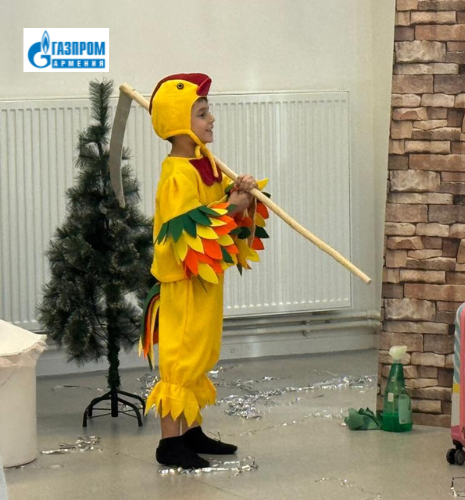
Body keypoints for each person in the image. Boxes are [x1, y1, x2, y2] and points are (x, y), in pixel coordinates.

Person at [139, 73, 269, 469]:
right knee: (180, 355)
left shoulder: (204, 163)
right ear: (179, 123)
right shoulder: (177, 173)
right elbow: (184, 226)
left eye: (208, 111)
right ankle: (169, 442)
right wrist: (230, 206)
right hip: (182, 279)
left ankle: (191, 431)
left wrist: (239, 195)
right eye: (201, 113)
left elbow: (216, 211)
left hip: (206, 274)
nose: (211, 119)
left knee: (200, 350)